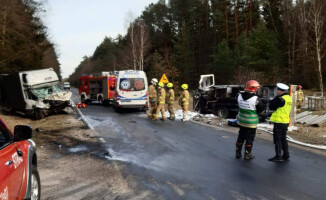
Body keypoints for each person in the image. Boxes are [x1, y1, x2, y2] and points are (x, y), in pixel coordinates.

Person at [235, 80, 265, 160]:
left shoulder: (239, 96)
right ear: (254, 88)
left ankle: (238, 153)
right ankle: (247, 154)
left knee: (240, 136)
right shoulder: (256, 99)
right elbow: (261, 110)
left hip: (241, 121)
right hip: (251, 123)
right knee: (249, 139)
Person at [268, 83, 292, 162]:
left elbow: (271, 106)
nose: (277, 91)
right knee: (283, 138)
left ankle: (278, 156)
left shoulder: (280, 99)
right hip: (285, 121)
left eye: (278, 90)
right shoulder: (288, 98)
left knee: (277, 139)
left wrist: (275, 98)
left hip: (279, 121)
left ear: (281, 91)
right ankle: (286, 154)